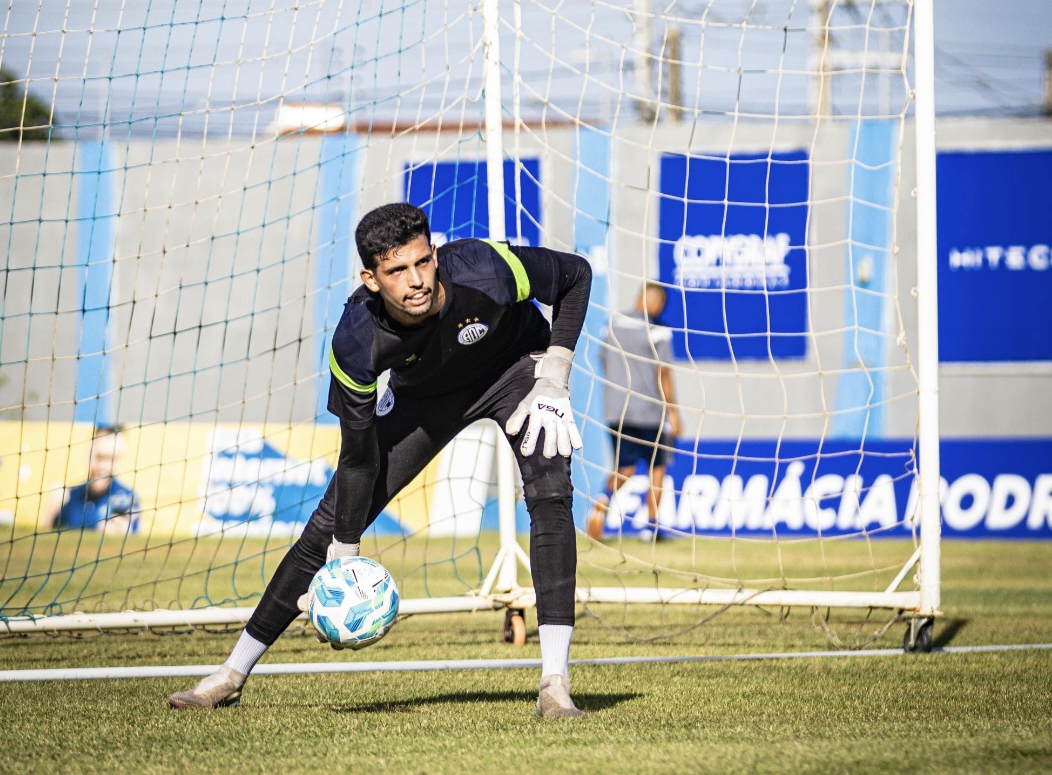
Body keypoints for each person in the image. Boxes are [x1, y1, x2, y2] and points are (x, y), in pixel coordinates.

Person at [170, 202, 592, 719]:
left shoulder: (485, 268)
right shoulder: (356, 342)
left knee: (550, 492)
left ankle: (555, 686)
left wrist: (555, 374)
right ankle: (230, 675)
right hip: (424, 401)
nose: (415, 281)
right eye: (396, 271)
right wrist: (344, 552)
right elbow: (357, 458)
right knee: (325, 528)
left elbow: (576, 275)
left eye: (422, 262)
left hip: (516, 372)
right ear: (371, 279)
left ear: (435, 254)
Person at [588, 283, 682, 542]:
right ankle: (650, 528)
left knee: (625, 468)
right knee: (657, 468)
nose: (659, 307)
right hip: (650, 410)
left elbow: (604, 361)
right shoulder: (658, 331)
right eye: (659, 302)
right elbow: (663, 372)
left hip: (617, 410)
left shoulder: (612, 324)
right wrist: (673, 413)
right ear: (651, 301)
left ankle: (602, 503)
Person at [43, 424, 140, 535]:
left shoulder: (128, 499)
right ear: (89, 454)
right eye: (99, 457)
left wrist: (124, 533)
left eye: (112, 459)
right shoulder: (68, 497)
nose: (104, 466)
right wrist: (50, 514)